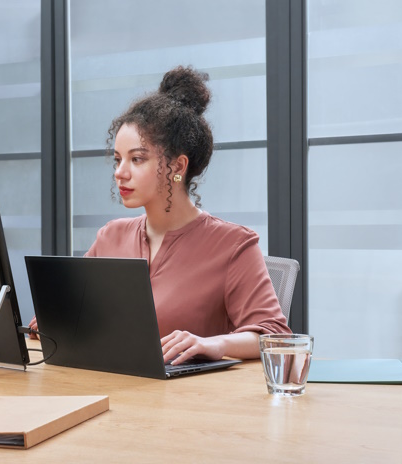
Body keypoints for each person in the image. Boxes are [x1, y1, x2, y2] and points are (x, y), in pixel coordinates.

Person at [28, 65, 290, 366]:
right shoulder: (110, 237)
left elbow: (273, 335)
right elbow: (78, 313)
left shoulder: (234, 245)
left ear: (178, 167)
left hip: (191, 405)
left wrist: (213, 344)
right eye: (117, 159)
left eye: (137, 159)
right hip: (113, 393)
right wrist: (55, 319)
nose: (120, 172)